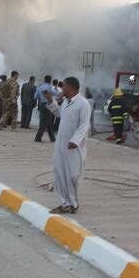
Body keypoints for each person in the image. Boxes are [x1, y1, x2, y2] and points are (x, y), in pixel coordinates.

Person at [45, 76, 91, 214]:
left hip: (74, 146)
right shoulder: (65, 102)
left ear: (71, 87)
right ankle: (65, 203)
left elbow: (84, 125)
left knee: (72, 175)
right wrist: (50, 101)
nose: (61, 88)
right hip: (61, 144)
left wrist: (75, 141)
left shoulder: (83, 104)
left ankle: (73, 203)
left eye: (63, 86)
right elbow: (60, 114)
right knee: (59, 173)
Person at [34, 75, 56, 142]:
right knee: (45, 121)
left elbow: (35, 97)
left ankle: (52, 138)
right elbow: (55, 94)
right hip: (48, 105)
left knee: (47, 121)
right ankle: (38, 138)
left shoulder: (39, 87)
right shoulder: (49, 87)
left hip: (41, 105)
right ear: (50, 80)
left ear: (44, 79)